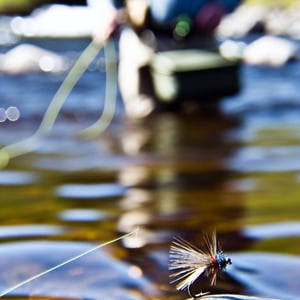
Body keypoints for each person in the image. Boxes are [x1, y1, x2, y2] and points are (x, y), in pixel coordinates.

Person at [88, 0, 242, 118]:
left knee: (206, 118)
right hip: (142, 40)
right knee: (143, 119)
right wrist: (104, 9)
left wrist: (224, 4)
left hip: (199, 42)